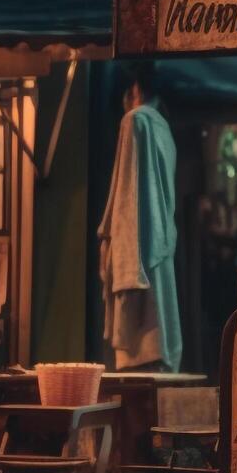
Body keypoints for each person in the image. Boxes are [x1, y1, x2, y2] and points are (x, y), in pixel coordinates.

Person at [97, 64, 182, 372]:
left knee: (140, 350)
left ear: (134, 91)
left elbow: (129, 198)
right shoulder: (162, 127)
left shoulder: (137, 120)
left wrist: (125, 261)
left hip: (141, 247)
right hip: (157, 244)